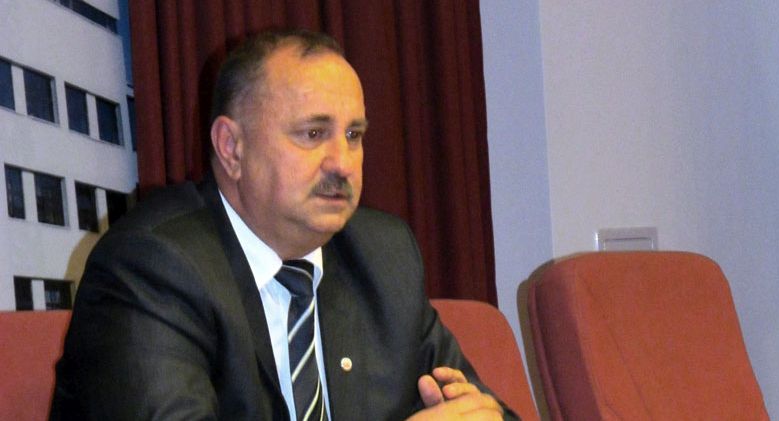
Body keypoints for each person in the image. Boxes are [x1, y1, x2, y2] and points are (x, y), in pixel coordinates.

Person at [50, 29, 515, 420]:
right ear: (231, 148)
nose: (343, 163)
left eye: (354, 135)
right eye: (313, 134)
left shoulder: (382, 256)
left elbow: (485, 410)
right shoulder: (150, 268)